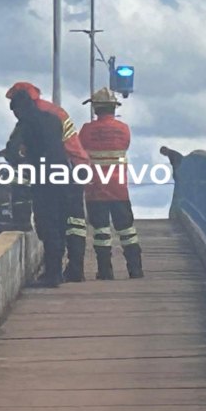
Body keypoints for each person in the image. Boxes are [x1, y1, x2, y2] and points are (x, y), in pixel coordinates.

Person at [6, 81, 88, 282]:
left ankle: (53, 273)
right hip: (68, 174)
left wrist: (22, 160)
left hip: (44, 178)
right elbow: (70, 146)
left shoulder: (25, 122)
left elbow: (11, 151)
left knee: (48, 223)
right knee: (67, 223)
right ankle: (72, 270)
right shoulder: (55, 117)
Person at [80, 88, 143, 279]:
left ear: (95, 108)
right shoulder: (124, 129)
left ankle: (105, 271)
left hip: (96, 188)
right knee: (127, 230)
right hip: (119, 188)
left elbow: (80, 151)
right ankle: (135, 269)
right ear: (114, 108)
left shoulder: (86, 130)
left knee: (101, 231)